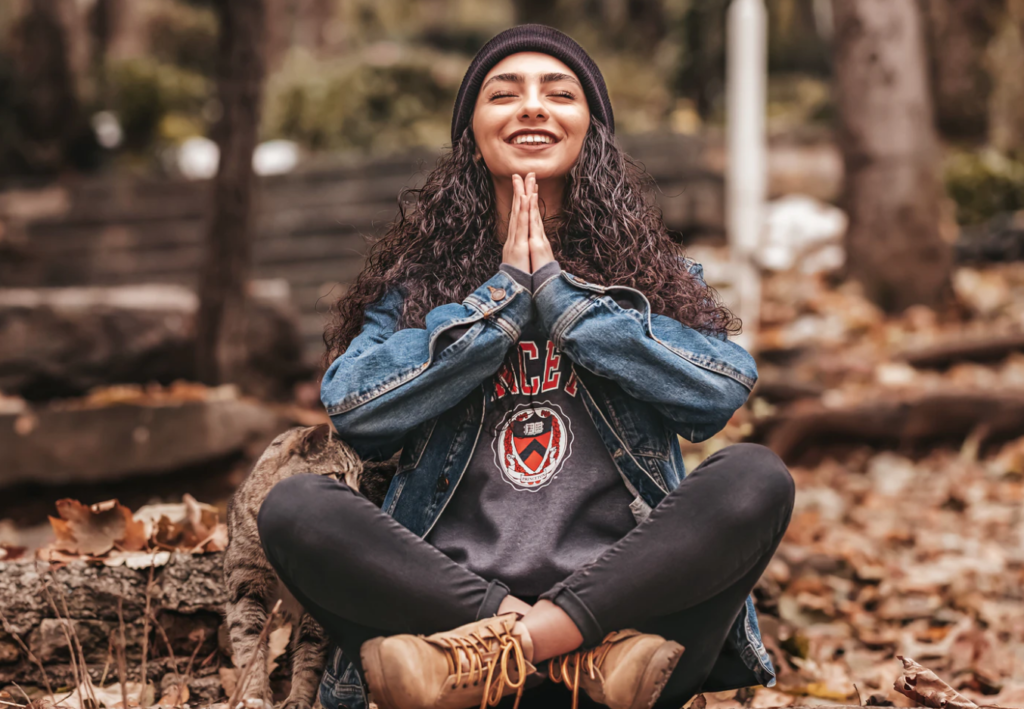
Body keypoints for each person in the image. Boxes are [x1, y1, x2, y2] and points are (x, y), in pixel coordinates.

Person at [257, 23, 795, 709]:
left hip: (633, 641)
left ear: (589, 130)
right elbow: (356, 408)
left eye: (559, 93)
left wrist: (567, 304)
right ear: (473, 136)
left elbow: (721, 388)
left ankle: (534, 643)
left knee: (756, 476)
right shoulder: (417, 288)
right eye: (504, 94)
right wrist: (501, 303)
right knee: (296, 506)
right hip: (445, 625)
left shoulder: (652, 279)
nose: (533, 107)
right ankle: (545, 647)